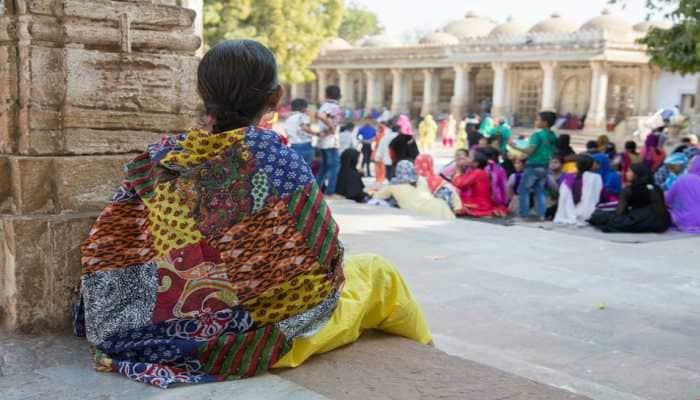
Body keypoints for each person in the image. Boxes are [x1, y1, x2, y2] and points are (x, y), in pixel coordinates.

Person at [75, 40, 431, 388]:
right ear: (275, 99)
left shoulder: (163, 157)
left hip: (158, 328)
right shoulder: (276, 159)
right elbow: (323, 255)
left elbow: (111, 244)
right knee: (379, 273)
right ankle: (427, 358)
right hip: (269, 334)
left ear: (202, 94)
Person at [589, 163, 671, 233]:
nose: (626, 173)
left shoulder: (628, 190)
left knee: (600, 216)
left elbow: (620, 212)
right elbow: (660, 209)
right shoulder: (656, 188)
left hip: (639, 220)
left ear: (636, 174)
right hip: (661, 223)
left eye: (629, 171)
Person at [510, 111, 558, 221]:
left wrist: (515, 146)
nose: (535, 121)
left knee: (524, 189)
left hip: (533, 165)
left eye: (538, 119)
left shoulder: (537, 135)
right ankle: (542, 215)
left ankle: (523, 216)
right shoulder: (552, 135)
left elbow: (530, 150)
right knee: (540, 190)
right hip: (544, 165)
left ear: (545, 122)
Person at [373, 160, 456, 220]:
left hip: (419, 213)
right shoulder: (422, 180)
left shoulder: (393, 187)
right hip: (439, 205)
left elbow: (376, 197)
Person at [453, 152, 508, 218]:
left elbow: (460, 184)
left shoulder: (478, 172)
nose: (466, 159)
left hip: (480, 203)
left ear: (476, 163)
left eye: (469, 158)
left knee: (454, 203)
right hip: (478, 200)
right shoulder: (476, 171)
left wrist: (458, 171)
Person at [554, 155, 603, 226]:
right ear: (591, 165)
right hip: (588, 212)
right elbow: (596, 197)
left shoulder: (568, 177)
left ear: (576, 165)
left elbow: (563, 197)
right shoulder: (595, 178)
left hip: (567, 212)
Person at [316, 85, 344, 196]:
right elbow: (322, 116)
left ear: (326, 95)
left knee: (325, 166)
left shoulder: (325, 105)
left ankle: (317, 190)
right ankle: (330, 192)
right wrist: (331, 126)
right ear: (339, 96)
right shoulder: (332, 106)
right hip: (330, 141)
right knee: (335, 166)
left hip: (324, 140)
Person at [665, 156, 700, 233]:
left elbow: (668, 200)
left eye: (690, 164)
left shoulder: (683, 179)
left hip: (687, 220)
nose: (688, 166)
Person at [285, 98, 315, 164]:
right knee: (307, 168)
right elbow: (306, 128)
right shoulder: (303, 116)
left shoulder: (288, 119)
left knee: (296, 168)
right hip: (305, 146)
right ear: (303, 108)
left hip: (293, 146)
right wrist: (316, 133)